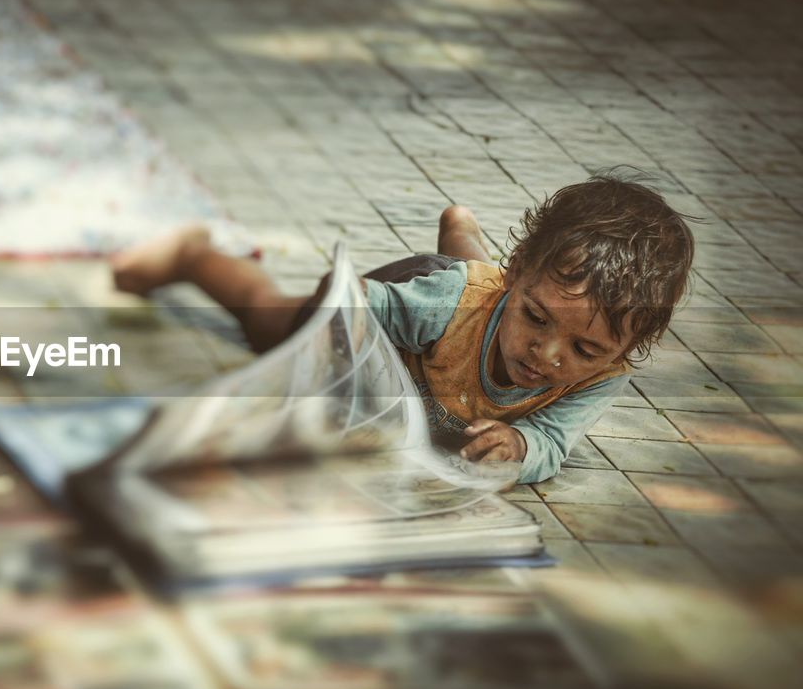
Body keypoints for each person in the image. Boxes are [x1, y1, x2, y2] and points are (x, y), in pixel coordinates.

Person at [110, 172, 696, 484]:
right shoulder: (447, 304)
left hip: (473, 296)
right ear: (520, 278)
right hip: (417, 297)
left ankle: (463, 237)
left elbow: (553, 443)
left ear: (626, 348)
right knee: (270, 321)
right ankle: (192, 254)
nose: (546, 354)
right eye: (536, 319)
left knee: (486, 288)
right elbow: (359, 305)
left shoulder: (600, 373)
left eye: (585, 348)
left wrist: (522, 445)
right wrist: (339, 323)